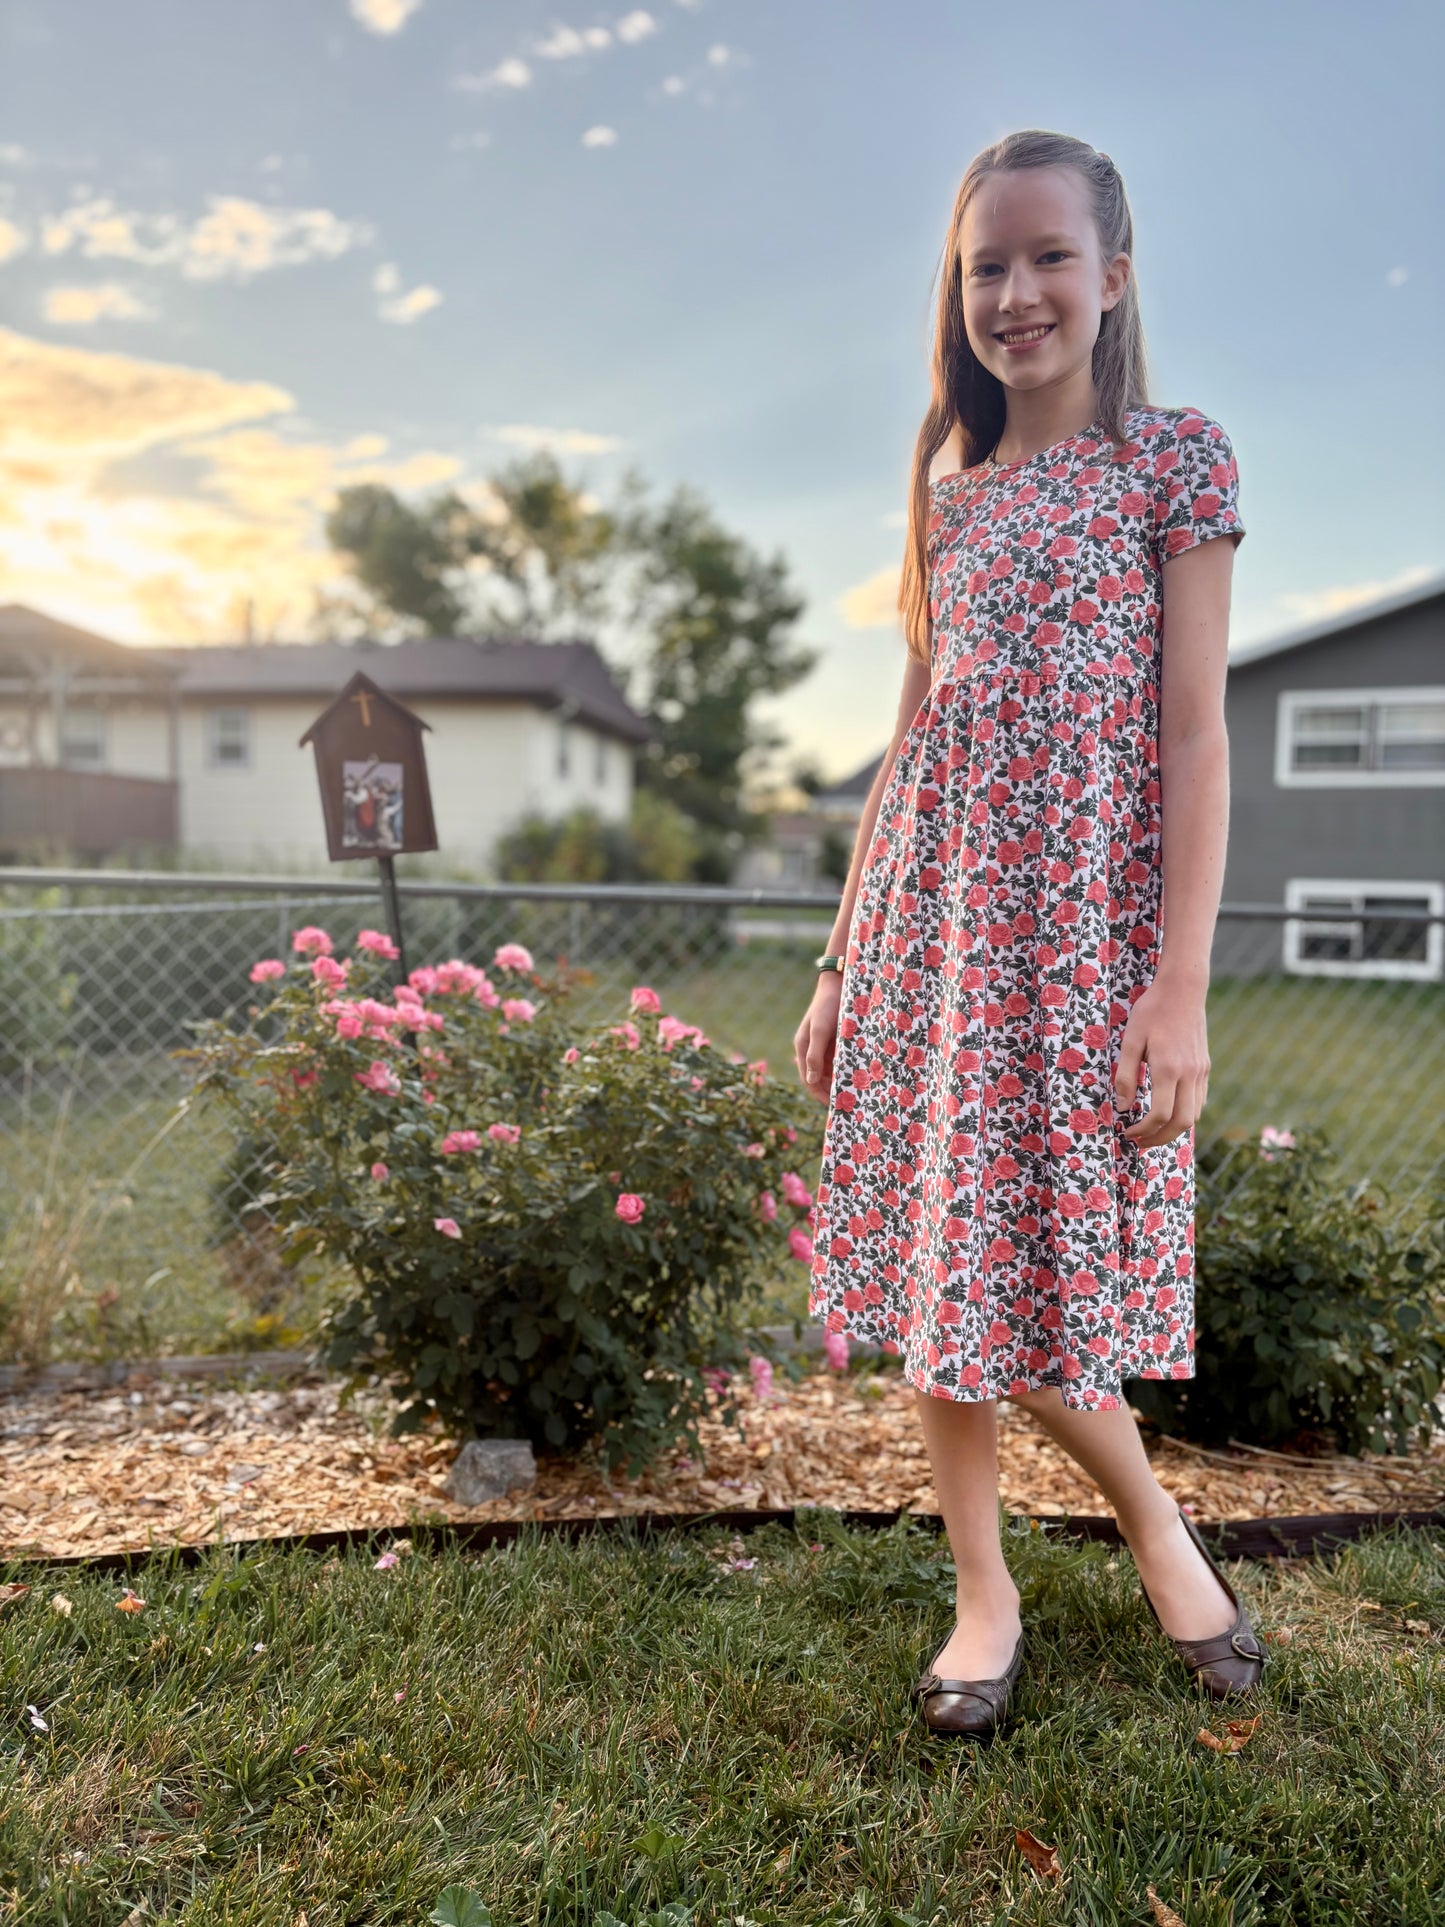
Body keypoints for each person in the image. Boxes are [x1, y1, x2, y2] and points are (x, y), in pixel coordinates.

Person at [794, 129, 1268, 1740]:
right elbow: (905, 745)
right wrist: (840, 963)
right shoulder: (947, 499)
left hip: (1082, 943)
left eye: (1047, 256)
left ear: (1111, 276)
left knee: (1053, 1292)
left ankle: (1152, 1522)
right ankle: (979, 1588)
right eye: (983, 264)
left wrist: (1179, 986)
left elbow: (1195, 739)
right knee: (945, 1275)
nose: (1014, 292)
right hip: (931, 941)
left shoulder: (1172, 463)